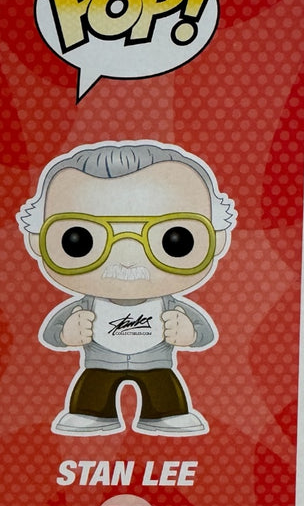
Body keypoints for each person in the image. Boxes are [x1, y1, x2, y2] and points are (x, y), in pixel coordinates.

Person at [18, 141, 235, 436]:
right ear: (37, 241)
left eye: (176, 239)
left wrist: (190, 333)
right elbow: (51, 333)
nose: (128, 258)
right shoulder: (86, 305)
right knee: (94, 386)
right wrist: (66, 333)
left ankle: (165, 413)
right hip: (100, 362)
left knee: (162, 386)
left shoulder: (170, 305)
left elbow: (203, 333)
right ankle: (91, 413)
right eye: (79, 240)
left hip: (156, 362)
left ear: (217, 240)